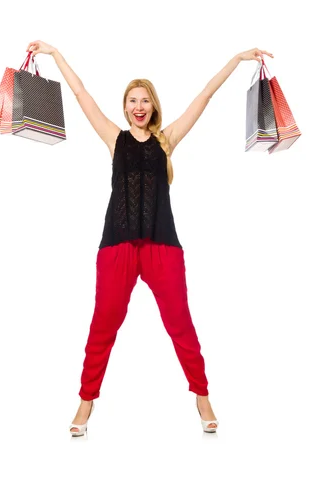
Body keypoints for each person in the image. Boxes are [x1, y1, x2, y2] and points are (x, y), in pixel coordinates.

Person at [26, 40, 272, 435]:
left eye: (145, 100)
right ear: (125, 107)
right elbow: (80, 93)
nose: (138, 106)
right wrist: (55, 56)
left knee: (180, 323)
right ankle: (86, 402)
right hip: (117, 247)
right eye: (132, 100)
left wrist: (236, 59)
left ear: (153, 106)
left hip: (162, 247)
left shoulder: (167, 139)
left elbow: (205, 95)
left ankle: (201, 393)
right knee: (102, 325)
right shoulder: (114, 138)